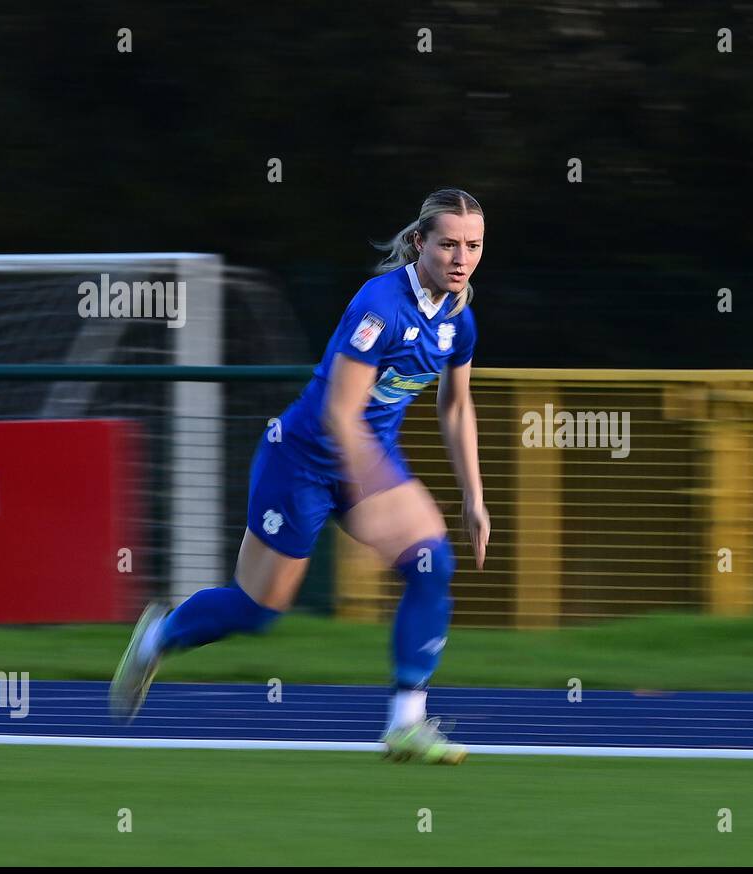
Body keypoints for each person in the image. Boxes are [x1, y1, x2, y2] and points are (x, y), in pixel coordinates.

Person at [110, 187, 489, 765]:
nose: (461, 258)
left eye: (474, 246)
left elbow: (456, 407)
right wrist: (374, 479)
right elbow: (340, 412)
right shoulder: (380, 305)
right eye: (449, 245)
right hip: (302, 462)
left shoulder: (458, 321)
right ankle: (159, 637)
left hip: (366, 465)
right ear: (419, 243)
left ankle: (406, 724)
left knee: (433, 561)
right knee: (259, 610)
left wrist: (473, 495)